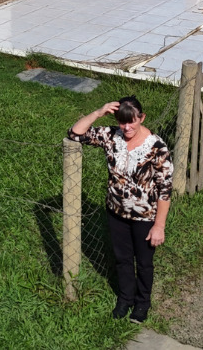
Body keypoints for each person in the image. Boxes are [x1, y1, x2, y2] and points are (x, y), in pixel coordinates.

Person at [68, 96, 173, 324]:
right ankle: (125, 298)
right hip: (116, 212)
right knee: (122, 259)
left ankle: (142, 303)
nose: (127, 128)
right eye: (122, 122)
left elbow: (165, 189)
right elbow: (75, 133)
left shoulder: (157, 147)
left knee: (144, 262)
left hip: (145, 216)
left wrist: (159, 226)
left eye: (132, 122)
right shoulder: (110, 135)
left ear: (142, 118)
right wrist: (98, 112)